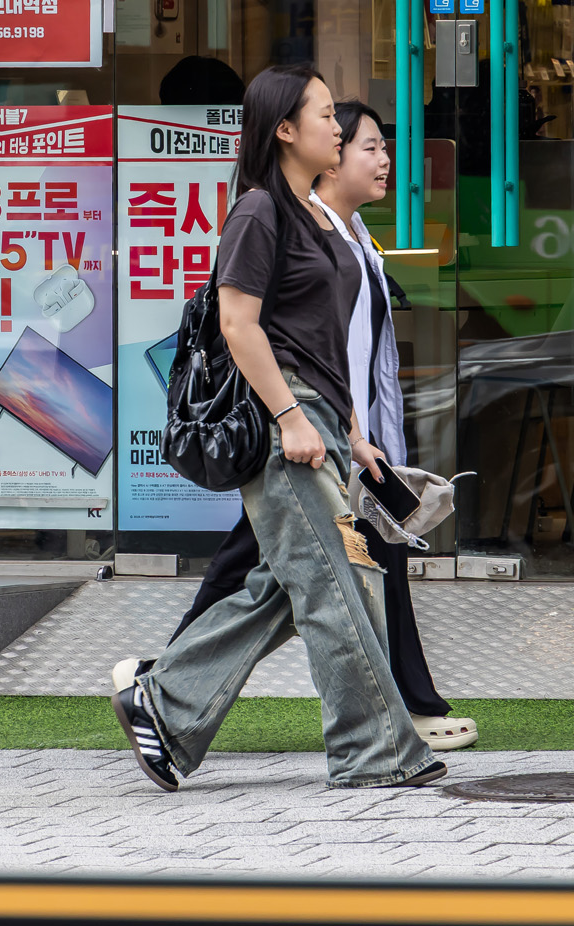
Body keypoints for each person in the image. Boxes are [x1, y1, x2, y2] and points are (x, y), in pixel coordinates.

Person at [109, 66, 444, 792]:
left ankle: (163, 704)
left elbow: (324, 336)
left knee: (287, 586)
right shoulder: (259, 211)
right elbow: (238, 324)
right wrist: (291, 417)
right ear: (285, 130)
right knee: (337, 583)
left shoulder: (320, 216)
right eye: (325, 116)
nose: (338, 127)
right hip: (282, 419)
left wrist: (352, 427)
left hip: (320, 416)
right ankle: (374, 751)